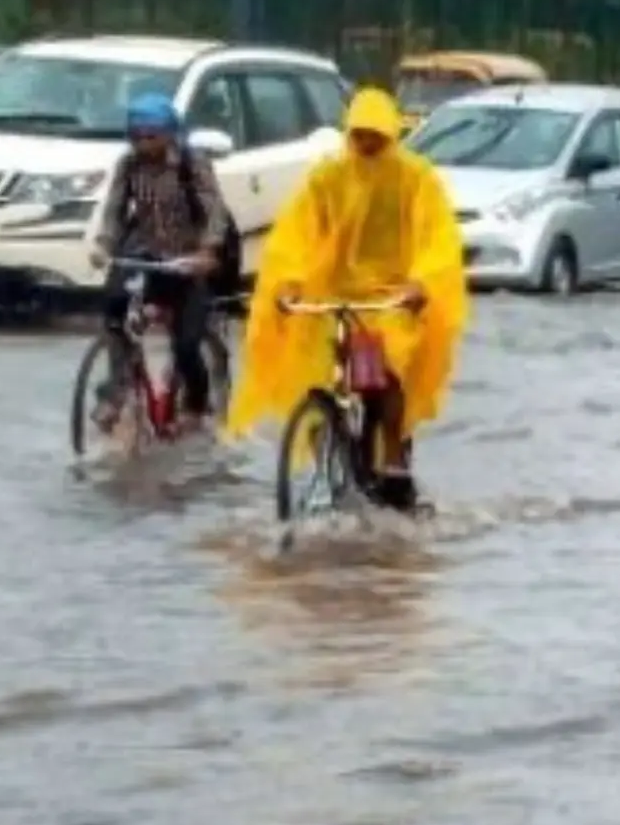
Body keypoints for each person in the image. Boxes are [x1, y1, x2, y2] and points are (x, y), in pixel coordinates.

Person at [224, 88, 469, 510]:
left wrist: (420, 285)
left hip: (389, 297)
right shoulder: (327, 177)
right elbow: (296, 234)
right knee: (316, 372)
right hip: (333, 295)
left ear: (391, 133)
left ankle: (393, 456)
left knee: (384, 368)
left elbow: (438, 239)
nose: (367, 143)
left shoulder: (415, 177)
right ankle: (327, 440)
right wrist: (288, 282)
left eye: (376, 134)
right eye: (360, 134)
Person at [89, 93, 233, 433]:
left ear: (170, 133)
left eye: (151, 135)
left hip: (190, 258)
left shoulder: (191, 164)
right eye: (136, 136)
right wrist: (104, 245)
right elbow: (114, 210)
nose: (142, 143)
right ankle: (116, 390)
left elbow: (215, 212)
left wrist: (207, 252)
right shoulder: (128, 165)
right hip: (148, 253)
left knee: (187, 343)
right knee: (115, 308)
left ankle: (197, 405)